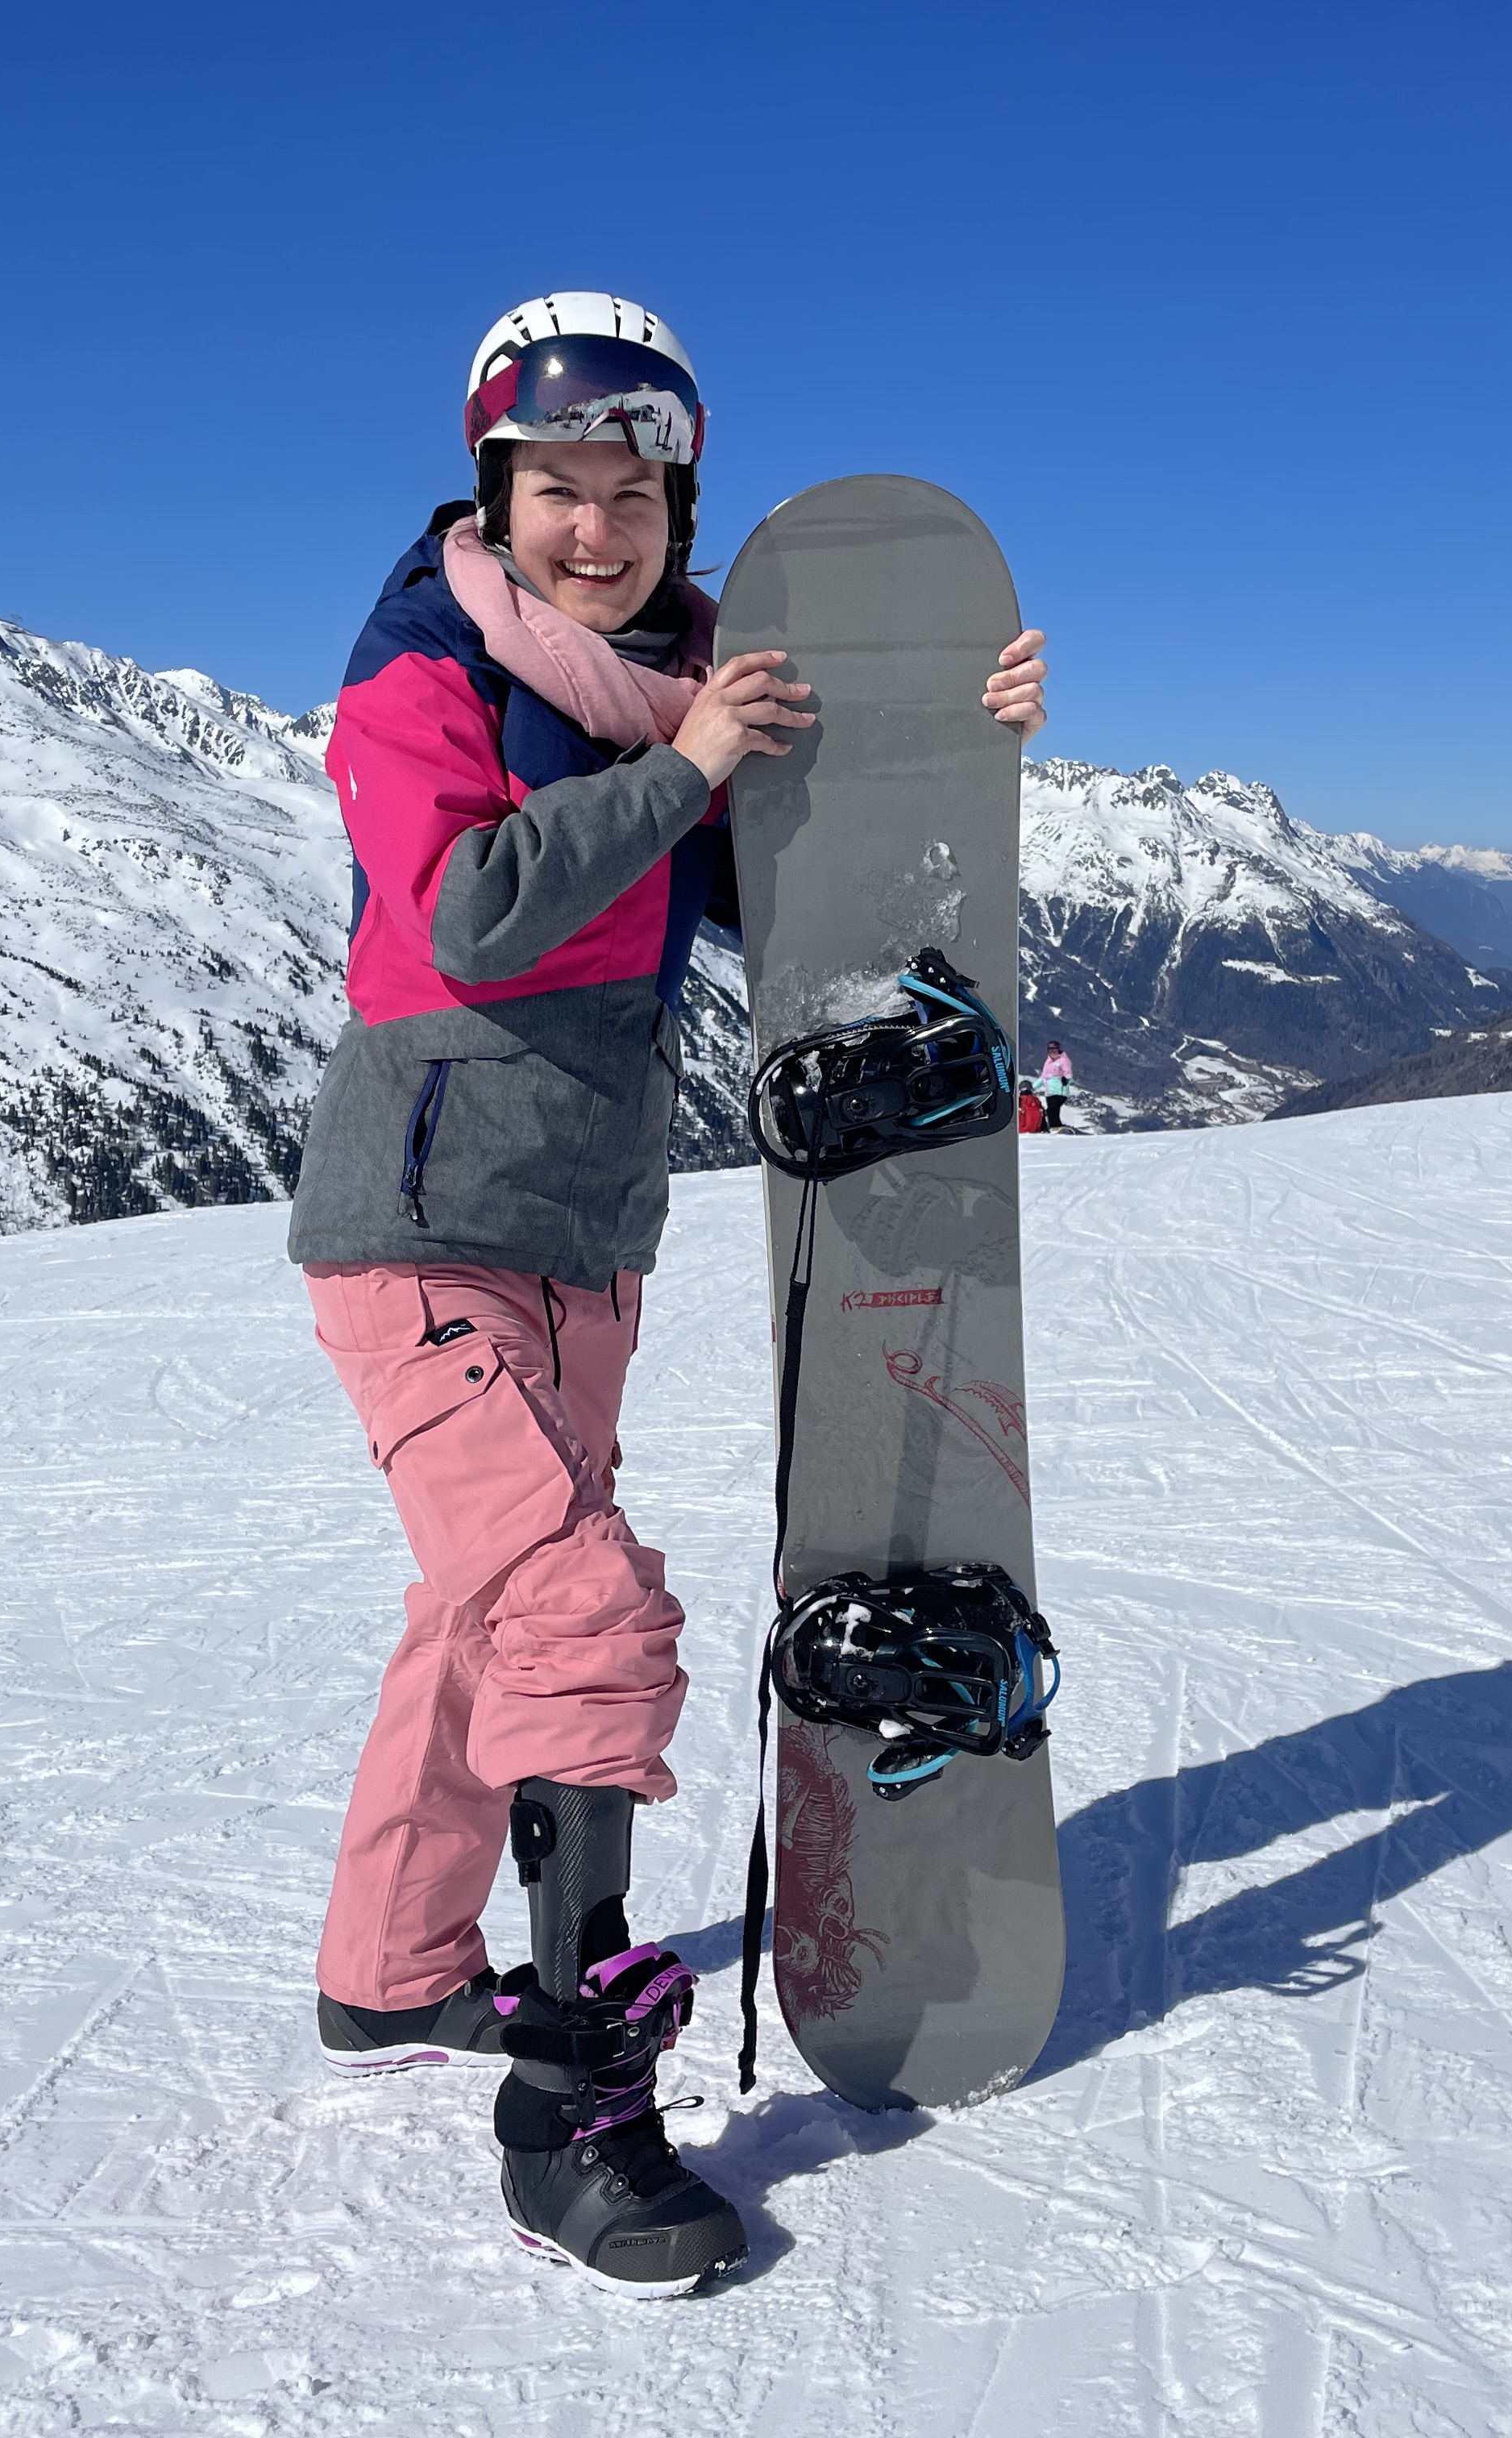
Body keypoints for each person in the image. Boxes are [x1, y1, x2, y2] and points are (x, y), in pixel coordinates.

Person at [285, 292, 1049, 2297]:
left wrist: (955, 733)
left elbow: (791, 878)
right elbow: (469, 914)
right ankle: (570, 2117)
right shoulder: (423, 674)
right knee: (576, 1613)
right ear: (493, 492)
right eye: (559, 489)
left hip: (587, 1248)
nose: (598, 528)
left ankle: (392, 1969)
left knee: (483, 1620)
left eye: (636, 497)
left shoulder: (674, 691)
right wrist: (684, 761)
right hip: (419, 1229)